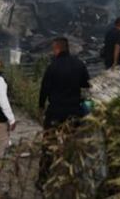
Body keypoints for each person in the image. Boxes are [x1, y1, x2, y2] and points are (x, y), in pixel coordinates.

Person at [37, 37, 90, 188]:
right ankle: (72, 179)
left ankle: (43, 179)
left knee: (48, 144)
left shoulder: (52, 67)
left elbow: (44, 90)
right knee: (73, 144)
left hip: (55, 112)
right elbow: (86, 83)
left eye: (53, 49)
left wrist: (41, 107)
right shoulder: (79, 64)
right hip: (73, 111)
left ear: (57, 49)